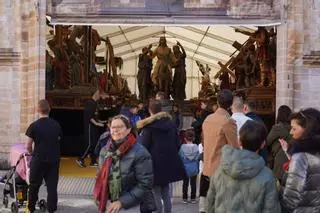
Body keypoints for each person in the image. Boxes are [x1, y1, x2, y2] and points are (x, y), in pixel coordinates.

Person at [206, 120, 281, 213]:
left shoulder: (220, 171)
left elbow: (210, 205)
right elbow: (271, 209)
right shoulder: (268, 176)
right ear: (262, 144)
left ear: (239, 141)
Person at [95, 115, 154, 213]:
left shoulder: (140, 152)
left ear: (128, 129)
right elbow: (100, 176)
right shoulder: (104, 151)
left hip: (133, 206)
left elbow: (145, 184)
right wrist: (100, 196)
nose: (116, 130)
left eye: (120, 127)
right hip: (110, 204)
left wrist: (122, 202)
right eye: (113, 127)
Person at [137, 100, 186, 213]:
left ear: (149, 110)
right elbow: (177, 144)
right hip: (169, 162)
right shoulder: (171, 124)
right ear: (161, 110)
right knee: (166, 192)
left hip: (154, 163)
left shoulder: (148, 127)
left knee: (156, 193)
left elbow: (144, 147)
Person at [200, 89, 238, 213]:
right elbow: (234, 148)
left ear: (217, 101)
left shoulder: (208, 119)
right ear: (231, 104)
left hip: (207, 168)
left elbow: (205, 143)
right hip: (222, 171)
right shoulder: (228, 122)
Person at [280, 108, 320, 212]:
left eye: (294, 128)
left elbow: (290, 199)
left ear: (306, 129)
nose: (290, 132)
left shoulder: (301, 156)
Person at [26, 100, 62, 213]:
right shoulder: (56, 125)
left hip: (38, 159)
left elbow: (28, 145)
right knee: (52, 187)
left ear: (37, 110)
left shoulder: (34, 126)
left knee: (34, 185)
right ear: (49, 109)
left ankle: (30, 208)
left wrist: (31, 153)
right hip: (53, 160)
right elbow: (59, 140)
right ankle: (52, 209)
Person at [77, 90, 105, 168]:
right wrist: (97, 123)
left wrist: (102, 121)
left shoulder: (95, 103)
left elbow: (95, 116)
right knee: (89, 144)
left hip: (95, 127)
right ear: (95, 94)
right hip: (90, 126)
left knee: (95, 144)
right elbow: (89, 117)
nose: (100, 95)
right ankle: (81, 158)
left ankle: (93, 161)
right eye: (99, 94)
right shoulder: (90, 103)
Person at [266, 105, 292, 182]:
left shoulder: (278, 127)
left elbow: (267, 141)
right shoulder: (293, 127)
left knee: (278, 184)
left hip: (279, 158)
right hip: (290, 157)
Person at [179, 129, 199, 204]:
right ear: (194, 138)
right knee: (193, 184)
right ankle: (193, 198)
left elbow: (180, 157)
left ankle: (184, 198)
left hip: (185, 168)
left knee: (185, 184)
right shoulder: (196, 147)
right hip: (194, 167)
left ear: (185, 138)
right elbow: (197, 158)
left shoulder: (182, 147)